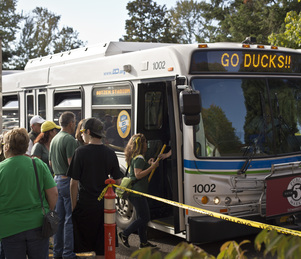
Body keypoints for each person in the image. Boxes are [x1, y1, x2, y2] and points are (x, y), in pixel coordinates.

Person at [67, 117, 123, 259]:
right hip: (105, 206)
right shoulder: (110, 153)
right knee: (102, 245)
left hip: (85, 205)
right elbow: (118, 181)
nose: (81, 134)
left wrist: (73, 205)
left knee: (83, 245)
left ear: (89, 132)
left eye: (82, 131)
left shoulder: (80, 152)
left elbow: (74, 182)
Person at [0, 128, 58, 259]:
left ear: (7, 147)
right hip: (37, 224)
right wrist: (48, 210)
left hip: (9, 227)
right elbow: (54, 193)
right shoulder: (37, 164)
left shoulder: (1, 169)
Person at [118, 133, 159, 249]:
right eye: (145, 142)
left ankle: (143, 242)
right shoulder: (140, 158)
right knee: (145, 218)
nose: (147, 144)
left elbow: (140, 170)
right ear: (142, 145)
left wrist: (149, 164)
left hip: (137, 193)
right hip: (137, 193)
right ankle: (124, 234)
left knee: (142, 217)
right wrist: (152, 167)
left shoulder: (136, 157)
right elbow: (138, 174)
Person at [49, 112, 78, 259]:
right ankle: (68, 253)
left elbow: (50, 163)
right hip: (67, 181)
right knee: (69, 219)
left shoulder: (55, 139)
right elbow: (72, 165)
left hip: (56, 180)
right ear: (71, 123)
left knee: (58, 220)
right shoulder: (69, 140)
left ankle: (57, 253)